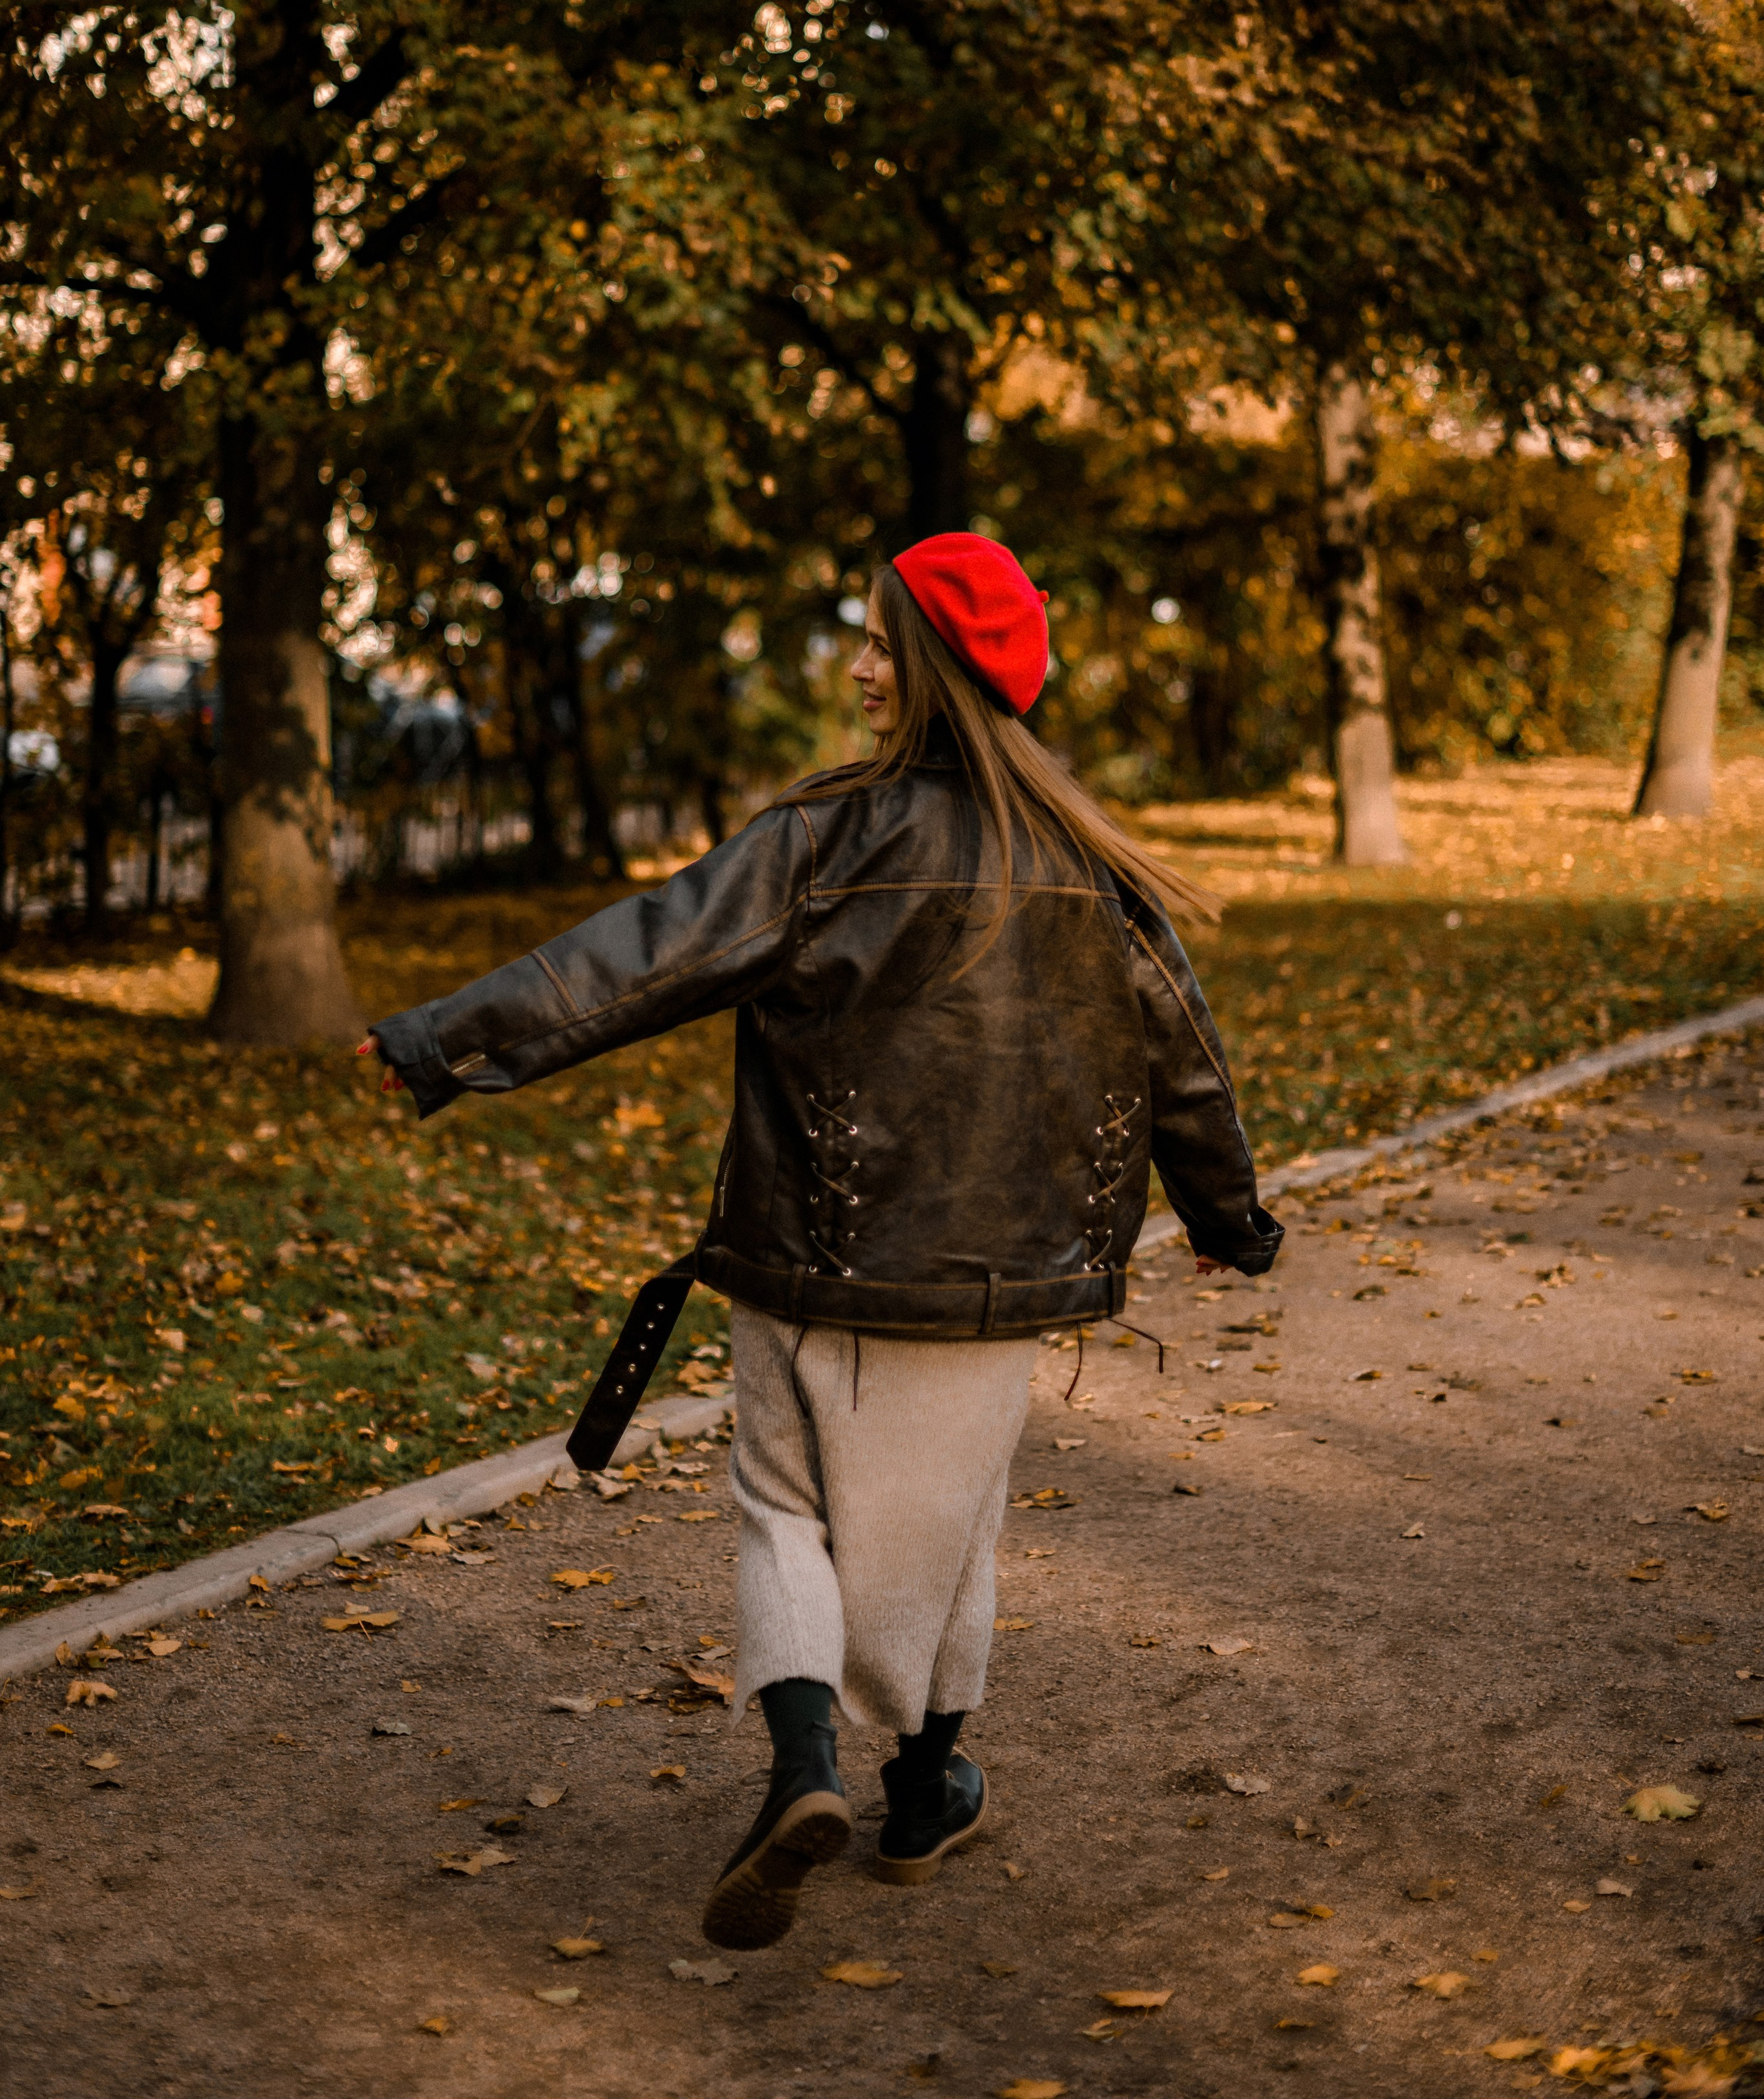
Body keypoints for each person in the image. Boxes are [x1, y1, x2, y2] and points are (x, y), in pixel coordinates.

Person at [361, 531, 1280, 1950]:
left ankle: (805, 1771)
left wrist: (444, 1042)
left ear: (937, 669)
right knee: (948, 1538)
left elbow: (639, 952)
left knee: (782, 1513)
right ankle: (921, 1791)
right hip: (992, 1280)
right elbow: (1184, 1065)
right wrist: (1227, 1219)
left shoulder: (821, 837)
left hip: (807, 1251)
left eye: (878, 642)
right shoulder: (1086, 865)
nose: (854, 667)